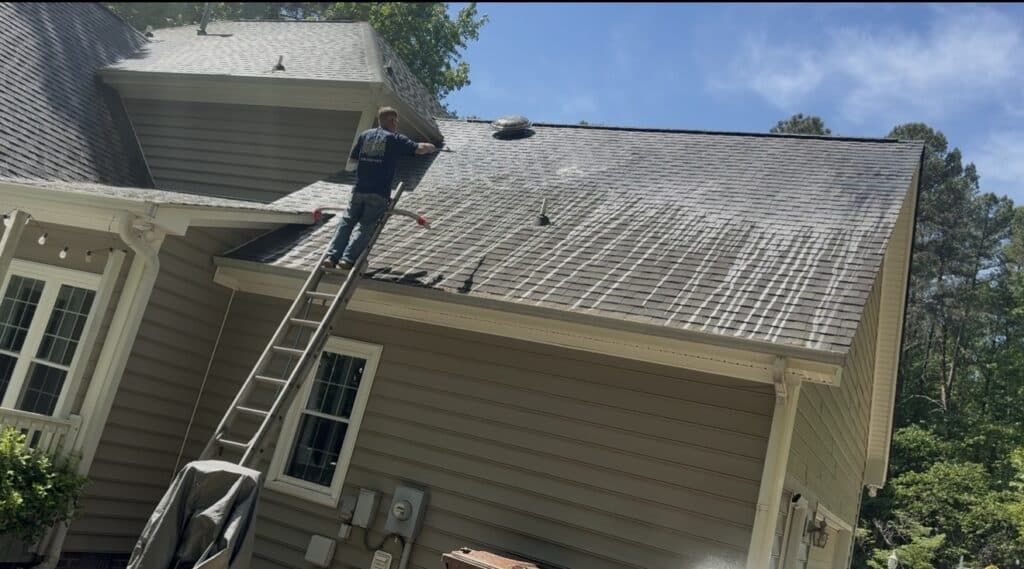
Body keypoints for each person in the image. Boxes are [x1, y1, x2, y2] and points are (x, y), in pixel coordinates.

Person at [323, 107, 437, 270]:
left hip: (359, 190)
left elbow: (354, 159)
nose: (396, 125)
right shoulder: (394, 139)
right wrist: (431, 147)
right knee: (366, 226)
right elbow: (418, 149)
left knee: (346, 223)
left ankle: (331, 257)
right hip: (378, 194)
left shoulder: (365, 136)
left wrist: (370, 160)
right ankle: (347, 260)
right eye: (396, 121)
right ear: (391, 121)